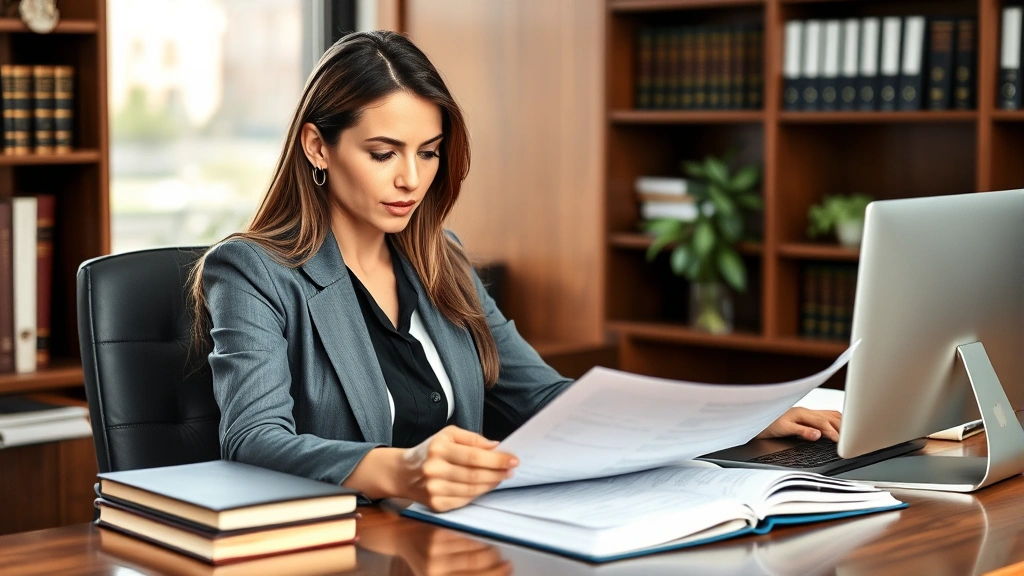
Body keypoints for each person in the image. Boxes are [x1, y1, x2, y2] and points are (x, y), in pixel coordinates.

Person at [190, 31, 841, 513]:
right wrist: (397, 470)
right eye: (383, 152)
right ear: (317, 146)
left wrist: (733, 420)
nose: (410, 179)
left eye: (429, 153)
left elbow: (546, 399)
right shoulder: (252, 271)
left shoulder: (440, 259)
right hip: (341, 549)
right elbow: (252, 438)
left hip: (460, 540)